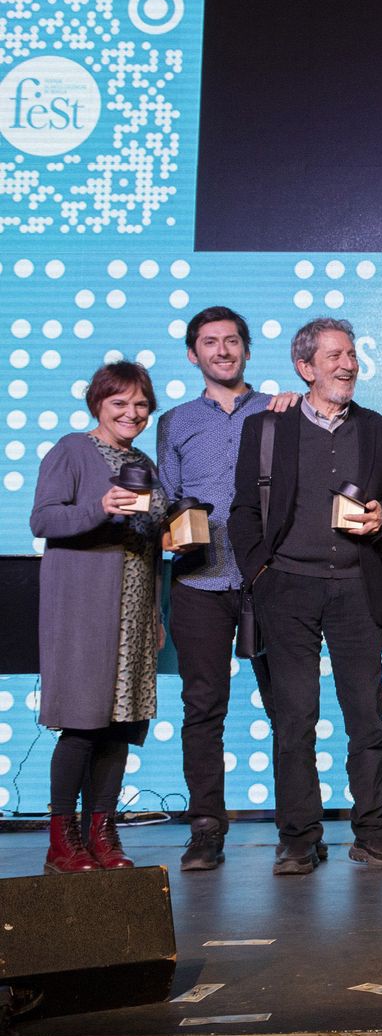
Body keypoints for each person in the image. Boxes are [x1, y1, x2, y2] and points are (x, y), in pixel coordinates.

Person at [230, 317, 382, 875]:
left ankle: (372, 832)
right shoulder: (266, 427)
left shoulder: (378, 431)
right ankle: (298, 837)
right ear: (305, 367)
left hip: (357, 587)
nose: (348, 365)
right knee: (294, 718)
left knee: (367, 718)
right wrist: (261, 573)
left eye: (351, 354)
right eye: (334, 356)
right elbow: (242, 510)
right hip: (286, 588)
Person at [156, 306, 293, 871]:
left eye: (232, 340)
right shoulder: (174, 422)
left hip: (269, 578)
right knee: (202, 708)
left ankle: (298, 829)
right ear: (193, 355)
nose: (222, 350)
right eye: (210, 342)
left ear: (247, 350)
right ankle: (206, 829)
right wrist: (165, 528)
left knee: (290, 708)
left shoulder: (282, 410)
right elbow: (166, 498)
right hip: (199, 579)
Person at [32, 362, 168, 873]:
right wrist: (99, 506)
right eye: (120, 403)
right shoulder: (72, 449)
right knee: (82, 725)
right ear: (98, 405)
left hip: (134, 615)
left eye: (141, 405)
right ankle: (62, 840)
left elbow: (148, 542)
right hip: (84, 613)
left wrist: (155, 612)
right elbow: (43, 518)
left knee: (121, 726)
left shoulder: (144, 463)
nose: (132, 413)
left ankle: (102, 833)